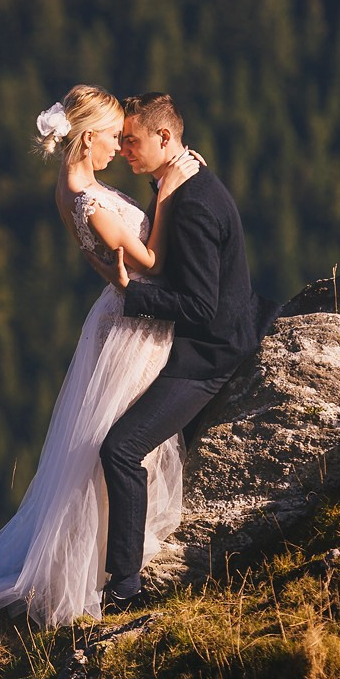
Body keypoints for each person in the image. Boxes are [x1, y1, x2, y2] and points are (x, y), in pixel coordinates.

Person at [0, 85, 200, 626]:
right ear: (87, 139)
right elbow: (153, 262)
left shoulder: (73, 189)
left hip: (115, 318)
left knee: (103, 439)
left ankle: (112, 547)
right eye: (114, 137)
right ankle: (105, 560)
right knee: (119, 439)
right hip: (133, 330)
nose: (121, 147)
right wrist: (172, 188)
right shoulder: (91, 203)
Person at [97, 92, 279, 610]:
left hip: (210, 355)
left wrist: (131, 293)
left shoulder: (195, 204)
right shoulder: (184, 183)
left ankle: (126, 587)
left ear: (164, 138)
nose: (125, 149)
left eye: (132, 141)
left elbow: (200, 307)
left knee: (120, 448)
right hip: (205, 338)